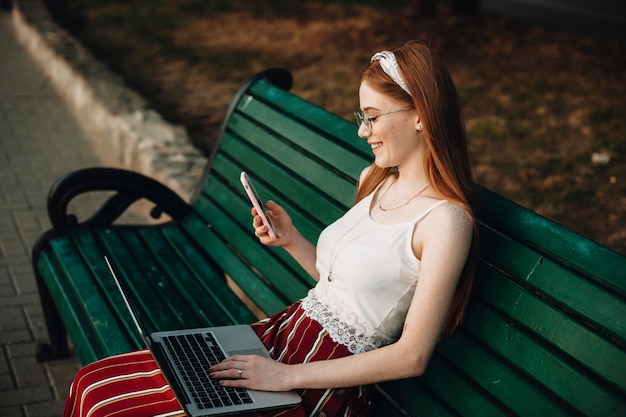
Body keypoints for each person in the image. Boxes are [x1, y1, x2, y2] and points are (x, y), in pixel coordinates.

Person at [63, 40, 478, 417]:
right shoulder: (378, 178)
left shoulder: (445, 222)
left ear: (421, 115)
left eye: (372, 117)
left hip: (320, 384)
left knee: (110, 410)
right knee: (92, 385)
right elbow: (344, 285)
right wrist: (291, 240)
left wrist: (284, 377)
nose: (361, 131)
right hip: (280, 337)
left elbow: (411, 356)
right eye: (360, 116)